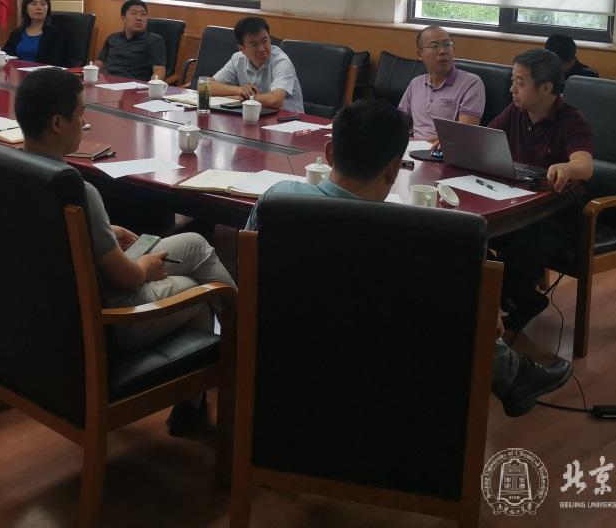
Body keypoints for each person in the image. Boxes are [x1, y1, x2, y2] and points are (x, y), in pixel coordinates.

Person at [248, 100, 572, 417]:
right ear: (393, 170)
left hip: (277, 346)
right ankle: (513, 377)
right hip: (375, 364)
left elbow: (249, 269)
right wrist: (485, 310)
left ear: (330, 153)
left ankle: (514, 376)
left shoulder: (276, 201)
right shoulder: (409, 232)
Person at [16, 68, 235, 433]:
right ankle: (241, 363)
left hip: (51, 305)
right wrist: (146, 267)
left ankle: (218, 377)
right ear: (57, 123)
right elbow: (128, 277)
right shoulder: (77, 191)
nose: (84, 122)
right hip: (112, 315)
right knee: (201, 292)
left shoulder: (13, 171)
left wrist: (105, 230)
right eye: (80, 113)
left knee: (195, 244)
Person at [489, 50, 595, 332]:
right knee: (473, 234)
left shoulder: (572, 120)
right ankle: (514, 299)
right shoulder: (515, 112)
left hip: (556, 214)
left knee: (522, 252)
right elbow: (486, 139)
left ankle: (518, 301)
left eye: (520, 82)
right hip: (518, 204)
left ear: (546, 88)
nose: (512, 89)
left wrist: (566, 167)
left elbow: (584, 165)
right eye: (513, 80)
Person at [398, 26, 486, 142]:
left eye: (447, 44)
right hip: (412, 147)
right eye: (434, 46)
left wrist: (444, 140)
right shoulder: (416, 83)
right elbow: (399, 121)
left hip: (446, 147)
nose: (443, 51)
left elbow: (466, 131)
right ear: (420, 54)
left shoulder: (471, 83)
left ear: (453, 49)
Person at [210, 16, 304, 113]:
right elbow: (208, 86)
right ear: (242, 49)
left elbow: (275, 100)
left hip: (288, 118)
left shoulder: (281, 62)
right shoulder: (238, 59)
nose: (262, 49)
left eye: (265, 41)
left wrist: (242, 98)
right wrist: (238, 90)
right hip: (258, 115)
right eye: (254, 44)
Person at [93, 0, 166, 81]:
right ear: (123, 18)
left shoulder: (154, 40)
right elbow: (99, 64)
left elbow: (159, 71)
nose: (139, 18)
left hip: (136, 86)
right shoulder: (112, 38)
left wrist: (153, 85)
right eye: (134, 13)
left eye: (143, 14)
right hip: (108, 84)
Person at [1, 0, 67, 65]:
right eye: (33, 4)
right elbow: (5, 57)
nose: (38, 8)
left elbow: (56, 64)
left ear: (48, 9)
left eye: (43, 4)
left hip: (42, 72)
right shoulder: (16, 33)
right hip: (17, 71)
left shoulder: (54, 34)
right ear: (26, 9)